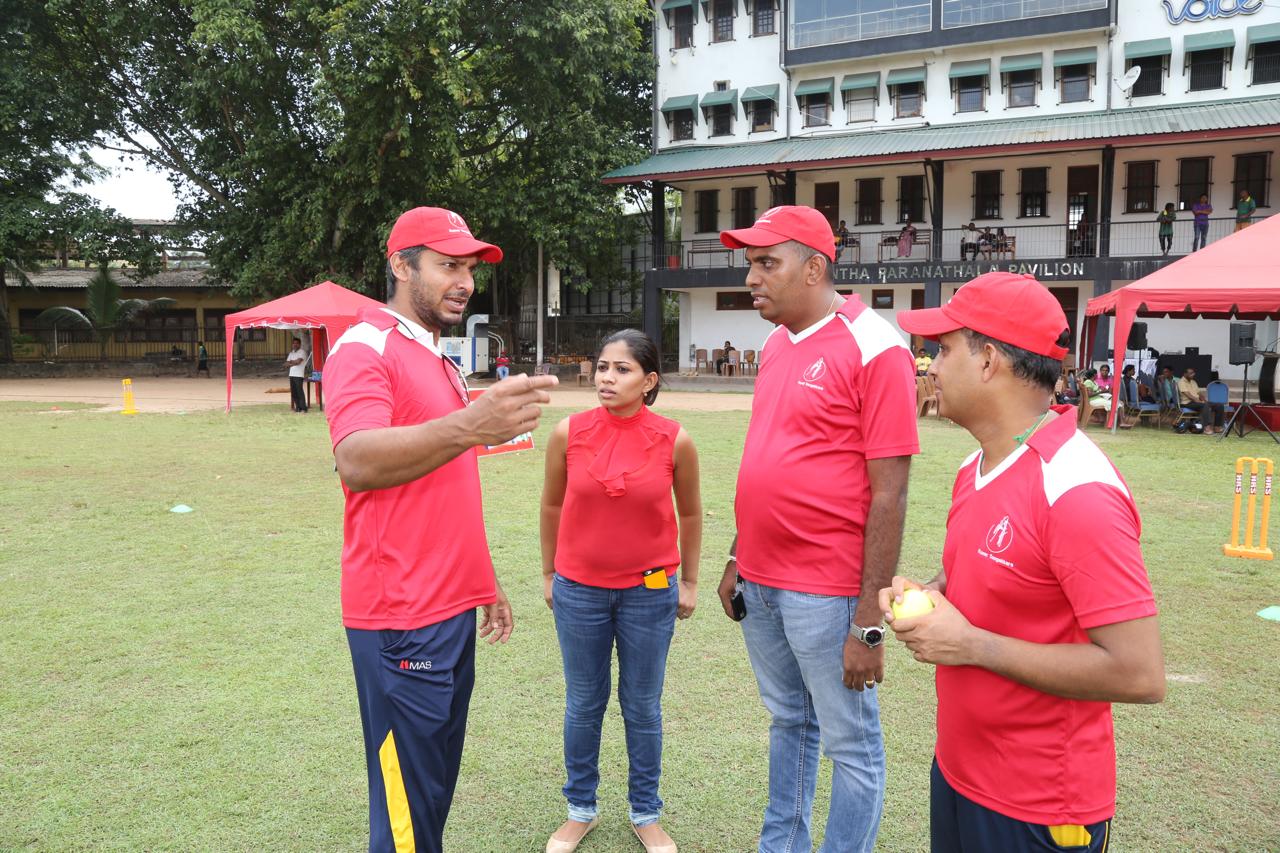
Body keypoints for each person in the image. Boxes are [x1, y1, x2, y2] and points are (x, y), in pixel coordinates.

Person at [886, 271, 1165, 853]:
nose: (929, 366)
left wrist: (971, 645)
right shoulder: (977, 466)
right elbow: (986, 586)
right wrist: (932, 597)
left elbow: (1139, 674)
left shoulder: (1076, 490)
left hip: (1041, 806)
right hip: (961, 771)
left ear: (988, 361)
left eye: (942, 348)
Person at [323, 205, 558, 853]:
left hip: (449, 606)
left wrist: (480, 581)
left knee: (429, 796)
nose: (464, 281)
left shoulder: (437, 357)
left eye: (470, 268)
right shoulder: (364, 345)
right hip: (399, 610)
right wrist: (471, 425)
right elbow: (357, 458)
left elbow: (444, 486)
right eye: (448, 265)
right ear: (401, 265)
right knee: (405, 818)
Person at [716, 205, 919, 853]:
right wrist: (735, 556)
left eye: (765, 262)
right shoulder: (777, 344)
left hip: (828, 592)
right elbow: (766, 456)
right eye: (750, 262)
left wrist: (868, 619)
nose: (751, 276)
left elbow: (890, 493)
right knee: (787, 722)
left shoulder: (875, 345)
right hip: (762, 581)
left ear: (814, 268)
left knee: (851, 744)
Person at [540, 328, 702, 853]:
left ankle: (646, 813)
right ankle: (579, 810)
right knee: (584, 704)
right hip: (579, 592)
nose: (606, 377)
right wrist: (549, 574)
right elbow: (551, 506)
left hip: (649, 594)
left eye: (622, 369)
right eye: (602, 366)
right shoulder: (568, 432)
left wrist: (691, 581)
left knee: (642, 706)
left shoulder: (674, 439)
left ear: (649, 380)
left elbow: (692, 512)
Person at [1178, 367, 1224, 435]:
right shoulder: (1181, 382)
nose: (1193, 374)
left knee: (1219, 405)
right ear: (1185, 374)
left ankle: (1217, 427)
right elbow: (1188, 395)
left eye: (1193, 373)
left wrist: (1204, 400)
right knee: (1204, 405)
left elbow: (1199, 393)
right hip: (1187, 403)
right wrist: (1198, 401)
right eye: (1190, 373)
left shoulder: (1193, 382)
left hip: (1196, 402)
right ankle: (1207, 427)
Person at [286, 337, 308, 413]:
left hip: (299, 375)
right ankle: (298, 408)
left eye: (296, 343)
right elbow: (286, 364)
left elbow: (298, 362)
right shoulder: (291, 353)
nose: (295, 345)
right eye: (293, 343)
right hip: (291, 374)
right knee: (294, 392)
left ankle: (303, 408)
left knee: (299, 391)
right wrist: (293, 362)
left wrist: (291, 362)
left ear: (299, 344)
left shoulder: (302, 352)